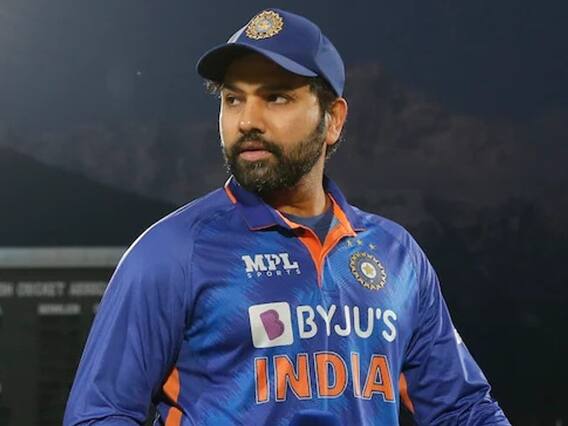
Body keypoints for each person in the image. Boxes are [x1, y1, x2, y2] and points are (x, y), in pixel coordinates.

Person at [64, 8, 511, 425]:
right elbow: (99, 415)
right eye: (233, 99)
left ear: (333, 120)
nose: (247, 121)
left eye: (276, 97)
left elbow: (463, 410)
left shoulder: (396, 256)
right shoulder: (172, 253)